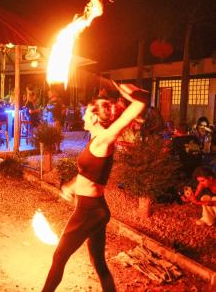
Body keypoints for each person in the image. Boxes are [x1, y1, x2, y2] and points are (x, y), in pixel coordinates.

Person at [41, 82, 148, 292]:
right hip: (94, 208)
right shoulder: (95, 139)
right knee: (98, 263)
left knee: (59, 256)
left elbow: (134, 110)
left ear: (95, 117)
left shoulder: (105, 139)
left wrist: (133, 94)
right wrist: (71, 186)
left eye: (86, 113)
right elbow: (89, 174)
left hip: (89, 211)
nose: (82, 116)